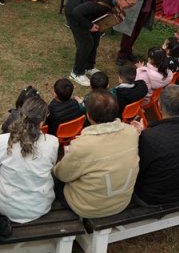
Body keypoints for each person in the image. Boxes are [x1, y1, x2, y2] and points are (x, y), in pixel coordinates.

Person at [53, 90, 139, 218]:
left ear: (88, 116)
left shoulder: (83, 145)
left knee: (53, 177)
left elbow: (62, 175)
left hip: (88, 207)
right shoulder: (132, 132)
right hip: (121, 202)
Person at [0, 96, 58, 223]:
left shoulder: (2, 141)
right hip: (40, 205)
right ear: (42, 122)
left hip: (7, 206)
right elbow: (50, 168)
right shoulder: (52, 142)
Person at [132, 85, 179, 206]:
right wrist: (146, 132)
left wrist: (142, 136)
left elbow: (138, 169)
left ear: (159, 105)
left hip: (149, 198)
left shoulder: (150, 137)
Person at [64, 0, 139, 87]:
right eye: (130, 4)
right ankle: (77, 72)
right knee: (86, 43)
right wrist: (89, 26)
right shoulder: (99, 3)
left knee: (95, 39)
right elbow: (77, 12)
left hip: (88, 13)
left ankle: (89, 67)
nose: (131, 7)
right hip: (74, 13)